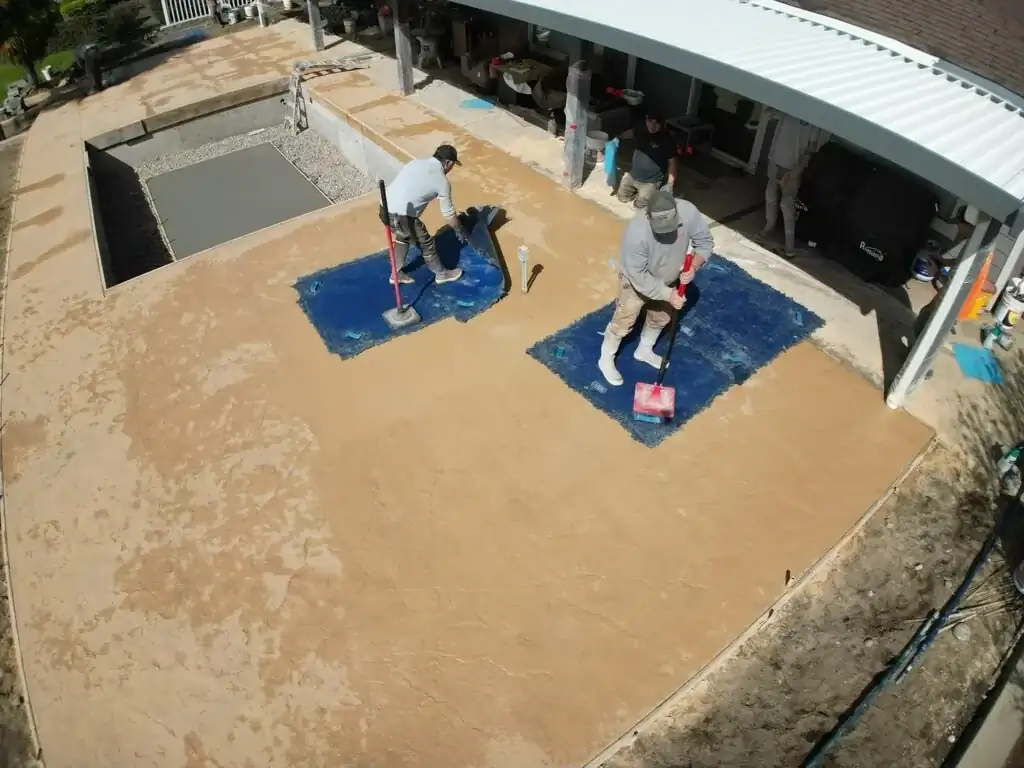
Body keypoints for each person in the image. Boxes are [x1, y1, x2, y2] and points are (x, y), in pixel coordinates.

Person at [599, 190, 714, 386]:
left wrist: (694, 265)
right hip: (636, 281)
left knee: (661, 317)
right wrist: (667, 294)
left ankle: (644, 350)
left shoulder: (688, 212)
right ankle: (605, 359)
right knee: (624, 319)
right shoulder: (637, 232)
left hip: (669, 277)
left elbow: (704, 242)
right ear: (648, 216)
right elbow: (638, 275)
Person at [381, 144, 469, 285]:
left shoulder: (415, 163)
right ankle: (442, 274)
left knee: (403, 235)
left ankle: (395, 274)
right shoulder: (441, 180)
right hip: (402, 216)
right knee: (426, 243)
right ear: (448, 163)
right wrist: (459, 230)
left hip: (384, 209)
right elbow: (449, 214)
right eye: (452, 165)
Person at [759, 111, 830, 259]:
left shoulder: (814, 120)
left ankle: (789, 245)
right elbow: (769, 115)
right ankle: (769, 227)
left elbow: (811, 149)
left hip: (793, 166)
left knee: (787, 203)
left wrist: (794, 172)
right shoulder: (789, 109)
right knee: (770, 194)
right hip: (775, 160)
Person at [616, 112, 678, 210]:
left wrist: (670, 184)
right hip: (633, 175)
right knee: (621, 198)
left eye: (656, 123)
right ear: (646, 120)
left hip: (650, 181)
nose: (652, 126)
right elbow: (628, 134)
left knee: (640, 207)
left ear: (662, 124)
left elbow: (672, 162)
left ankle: (652, 192)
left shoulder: (667, 140)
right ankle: (635, 192)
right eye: (650, 121)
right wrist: (614, 137)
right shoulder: (640, 129)